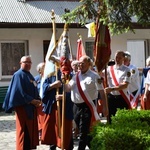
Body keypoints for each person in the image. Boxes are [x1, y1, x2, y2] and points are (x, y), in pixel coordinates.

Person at [64, 55, 108, 150]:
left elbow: (101, 91)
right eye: (79, 63)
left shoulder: (94, 76)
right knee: (81, 130)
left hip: (87, 106)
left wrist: (105, 107)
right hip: (76, 106)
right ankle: (95, 146)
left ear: (89, 63)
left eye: (83, 63)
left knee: (83, 131)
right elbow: (68, 89)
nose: (81, 65)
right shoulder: (75, 76)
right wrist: (63, 80)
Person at [2, 55, 41, 150]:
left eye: (29, 62)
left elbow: (34, 88)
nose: (27, 64)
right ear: (20, 63)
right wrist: (32, 101)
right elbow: (19, 92)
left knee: (30, 133)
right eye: (25, 62)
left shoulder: (29, 75)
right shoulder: (18, 75)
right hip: (23, 109)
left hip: (31, 109)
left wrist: (38, 99)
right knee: (24, 132)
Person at [40, 68, 74, 150]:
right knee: (53, 131)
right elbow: (43, 89)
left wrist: (64, 97)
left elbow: (76, 93)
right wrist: (52, 85)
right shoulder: (51, 76)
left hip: (66, 109)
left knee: (66, 131)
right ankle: (52, 147)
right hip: (54, 107)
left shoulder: (71, 77)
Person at [105, 50, 131, 123]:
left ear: (123, 58)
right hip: (111, 98)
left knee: (123, 120)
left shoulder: (127, 70)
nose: (117, 59)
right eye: (116, 57)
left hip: (122, 98)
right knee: (111, 119)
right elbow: (100, 75)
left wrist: (112, 89)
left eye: (119, 58)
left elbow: (125, 85)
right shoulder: (109, 69)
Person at [34, 62, 45, 140]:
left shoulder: (48, 78)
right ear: (39, 70)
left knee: (45, 119)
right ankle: (40, 133)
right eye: (44, 67)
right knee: (39, 119)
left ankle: (45, 133)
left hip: (46, 101)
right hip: (39, 102)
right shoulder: (36, 79)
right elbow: (33, 90)